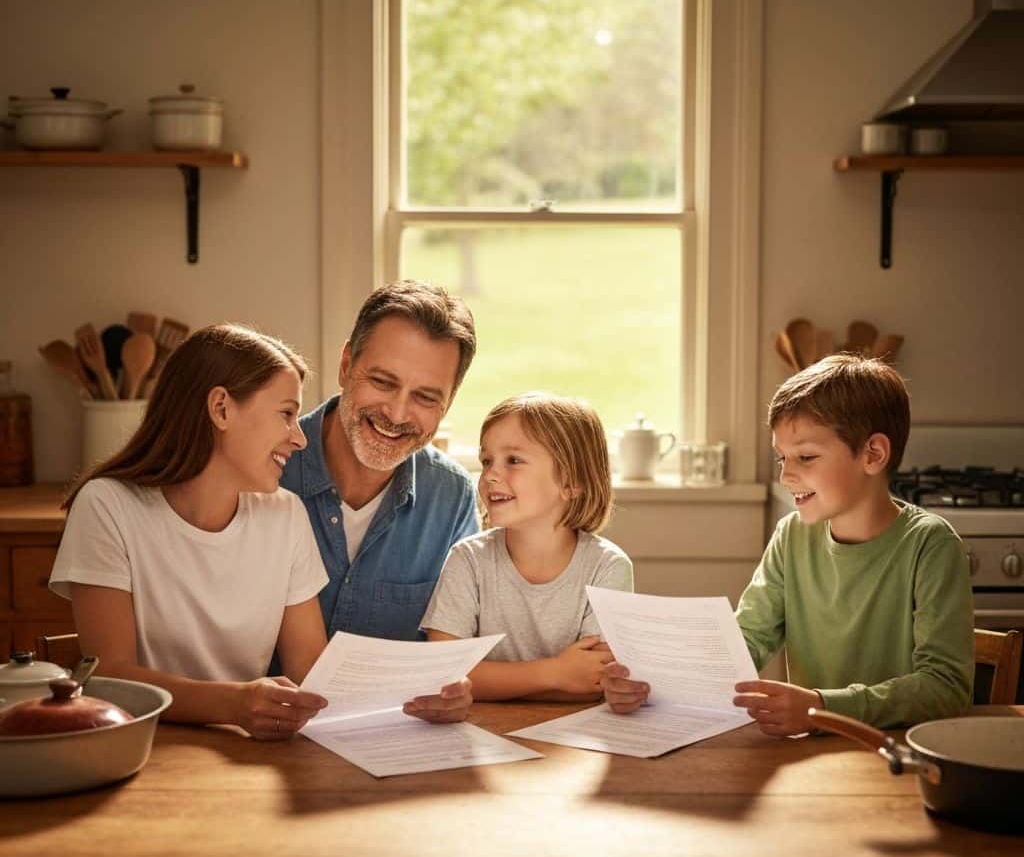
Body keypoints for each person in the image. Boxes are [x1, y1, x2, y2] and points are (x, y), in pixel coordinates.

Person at [49, 324, 471, 740]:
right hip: (146, 744)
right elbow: (109, 675)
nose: (299, 438)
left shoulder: (284, 513)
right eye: (286, 414)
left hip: (246, 751)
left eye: (425, 395)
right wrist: (233, 704)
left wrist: (425, 694)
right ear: (221, 409)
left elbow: (311, 672)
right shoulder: (107, 506)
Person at [603, 354, 974, 733]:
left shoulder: (930, 545)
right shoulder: (791, 536)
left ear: (873, 454)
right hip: (811, 754)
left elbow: (945, 687)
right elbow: (746, 640)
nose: (785, 474)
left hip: (894, 758)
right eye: (781, 457)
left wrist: (823, 708)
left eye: (806, 457)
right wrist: (653, 683)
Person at [278, 281, 479, 647]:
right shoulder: (268, 469)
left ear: (447, 404)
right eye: (383, 382)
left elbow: (458, 648)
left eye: (425, 396)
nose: (397, 413)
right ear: (345, 365)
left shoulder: (452, 498)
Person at [422, 392, 634, 700]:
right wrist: (556, 673)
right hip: (479, 733)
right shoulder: (466, 560)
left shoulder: (608, 567)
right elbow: (443, 673)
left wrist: (487, 680)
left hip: (573, 739)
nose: (490, 475)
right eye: (486, 460)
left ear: (571, 482)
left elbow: (592, 681)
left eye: (514, 460)